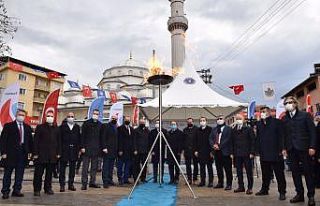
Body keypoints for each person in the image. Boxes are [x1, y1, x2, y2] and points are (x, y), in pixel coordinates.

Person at [283, 96, 317, 206]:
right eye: (286, 103)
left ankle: (311, 195)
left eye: (290, 102)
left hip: (304, 148)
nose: (288, 104)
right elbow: (284, 135)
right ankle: (299, 194)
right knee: (295, 173)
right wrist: (284, 148)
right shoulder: (285, 118)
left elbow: (312, 132)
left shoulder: (305, 116)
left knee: (308, 172)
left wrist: (312, 146)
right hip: (291, 149)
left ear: (295, 103)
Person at [255, 106, 287, 201]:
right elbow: (258, 138)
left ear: (269, 112)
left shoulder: (277, 122)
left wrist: (282, 148)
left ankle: (282, 192)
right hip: (264, 153)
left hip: (276, 153)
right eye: (261, 112)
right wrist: (257, 150)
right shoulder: (259, 124)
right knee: (265, 174)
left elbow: (282, 136)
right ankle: (264, 189)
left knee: (279, 174)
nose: (262, 113)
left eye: (264, 111)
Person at [0, 109, 33, 199]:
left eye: (23, 115)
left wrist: (30, 152)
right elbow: (3, 140)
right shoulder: (8, 126)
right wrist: (3, 152)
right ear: (16, 115)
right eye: (19, 114)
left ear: (25, 116)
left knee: (20, 174)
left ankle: (16, 190)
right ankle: (5, 191)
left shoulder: (27, 127)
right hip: (10, 154)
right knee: (8, 173)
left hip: (22, 153)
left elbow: (30, 141)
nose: (21, 116)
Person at [33, 111, 61, 196]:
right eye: (48, 116)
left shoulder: (56, 128)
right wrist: (35, 153)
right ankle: (37, 189)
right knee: (38, 174)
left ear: (54, 117)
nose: (50, 117)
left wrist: (58, 153)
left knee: (49, 174)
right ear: (45, 117)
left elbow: (59, 142)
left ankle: (48, 188)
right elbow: (36, 141)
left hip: (52, 155)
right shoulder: (40, 127)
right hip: (41, 155)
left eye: (51, 116)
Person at [231, 114, 255, 195]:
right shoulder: (234, 129)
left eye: (240, 118)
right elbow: (232, 142)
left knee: (249, 171)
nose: (238, 120)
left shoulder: (248, 129)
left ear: (243, 119)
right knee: (239, 171)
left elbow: (253, 141)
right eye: (237, 118)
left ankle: (250, 187)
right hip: (237, 154)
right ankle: (241, 186)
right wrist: (232, 153)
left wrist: (252, 152)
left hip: (247, 153)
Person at [209, 115, 233, 190]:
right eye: (218, 119)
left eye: (221, 119)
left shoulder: (228, 129)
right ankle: (220, 182)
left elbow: (228, 139)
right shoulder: (214, 129)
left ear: (224, 120)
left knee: (227, 169)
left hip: (225, 151)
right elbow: (210, 138)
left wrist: (219, 146)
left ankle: (229, 184)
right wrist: (214, 145)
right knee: (219, 168)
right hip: (216, 152)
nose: (219, 120)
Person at [59, 112, 81, 192]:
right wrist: (59, 151)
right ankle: (62, 185)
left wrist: (79, 149)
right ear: (66, 118)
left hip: (74, 150)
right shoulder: (62, 127)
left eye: (72, 116)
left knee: (72, 169)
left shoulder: (77, 127)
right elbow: (59, 140)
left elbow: (79, 139)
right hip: (64, 150)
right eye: (69, 116)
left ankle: (71, 184)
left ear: (74, 118)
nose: (70, 118)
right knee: (62, 169)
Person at [80, 109, 102, 190]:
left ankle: (92, 182)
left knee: (94, 168)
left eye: (97, 114)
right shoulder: (86, 123)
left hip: (96, 149)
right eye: (94, 113)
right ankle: (84, 183)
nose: (95, 115)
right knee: (85, 167)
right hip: (86, 149)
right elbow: (82, 136)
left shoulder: (100, 124)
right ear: (92, 114)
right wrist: (82, 147)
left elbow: (101, 138)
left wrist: (100, 148)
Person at [194, 117, 213, 187]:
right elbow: (195, 141)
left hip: (208, 152)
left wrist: (212, 151)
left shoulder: (210, 129)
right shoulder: (197, 130)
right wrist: (195, 150)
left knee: (209, 167)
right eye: (201, 121)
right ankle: (202, 181)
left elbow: (212, 141)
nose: (202, 122)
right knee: (202, 168)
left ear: (206, 122)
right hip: (200, 152)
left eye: (203, 120)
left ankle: (210, 182)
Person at [100, 115, 118, 188]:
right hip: (107, 150)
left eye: (115, 119)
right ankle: (105, 181)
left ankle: (110, 180)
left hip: (114, 150)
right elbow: (103, 137)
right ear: (111, 119)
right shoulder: (106, 126)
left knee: (111, 166)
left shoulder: (116, 127)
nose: (114, 120)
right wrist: (104, 147)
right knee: (106, 166)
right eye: (113, 118)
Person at [117, 116, 135, 185]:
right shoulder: (120, 128)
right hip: (122, 151)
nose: (127, 121)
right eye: (126, 120)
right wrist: (120, 149)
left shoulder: (131, 129)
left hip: (129, 151)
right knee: (120, 166)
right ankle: (120, 179)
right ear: (124, 120)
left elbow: (133, 140)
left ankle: (126, 179)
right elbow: (119, 140)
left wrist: (133, 149)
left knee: (127, 166)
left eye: (128, 120)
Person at [133, 118, 150, 183]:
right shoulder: (136, 130)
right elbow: (134, 141)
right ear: (139, 123)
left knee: (144, 165)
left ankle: (143, 178)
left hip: (145, 151)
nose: (142, 124)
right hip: (137, 151)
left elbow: (149, 140)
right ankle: (136, 178)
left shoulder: (147, 130)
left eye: (143, 123)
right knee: (136, 165)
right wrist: (135, 149)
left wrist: (149, 149)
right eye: (141, 123)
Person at [182, 117, 199, 184]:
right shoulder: (184, 130)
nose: (189, 123)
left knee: (196, 165)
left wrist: (197, 150)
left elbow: (198, 140)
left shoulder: (197, 129)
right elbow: (183, 141)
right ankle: (189, 179)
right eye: (188, 122)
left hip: (195, 151)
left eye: (190, 122)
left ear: (193, 122)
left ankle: (195, 179)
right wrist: (183, 150)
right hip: (187, 151)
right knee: (188, 165)